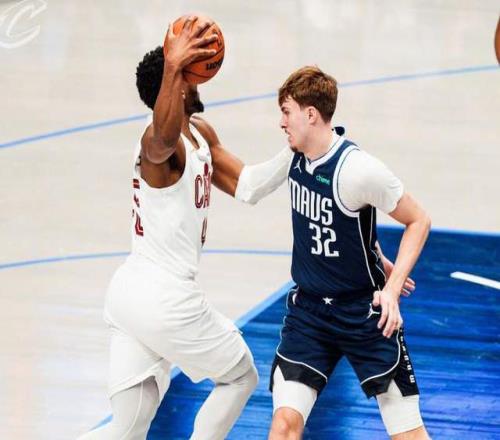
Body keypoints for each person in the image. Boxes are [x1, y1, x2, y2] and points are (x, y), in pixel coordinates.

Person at [77, 16, 275, 440]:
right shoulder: (156, 146)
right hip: (165, 297)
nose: (199, 82)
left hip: (131, 295)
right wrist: (172, 66)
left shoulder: (200, 134)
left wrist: (300, 151)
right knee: (241, 376)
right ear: (178, 83)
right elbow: (163, 138)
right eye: (190, 76)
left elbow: (249, 185)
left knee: (127, 429)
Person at [234, 66, 432, 439]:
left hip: (364, 313)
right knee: (284, 425)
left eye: (286, 112)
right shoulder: (294, 156)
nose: (281, 122)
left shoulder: (359, 170)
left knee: (407, 433)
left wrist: (391, 289)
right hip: (310, 313)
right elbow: (343, 218)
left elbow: (418, 219)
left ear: (311, 114)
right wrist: (372, 250)